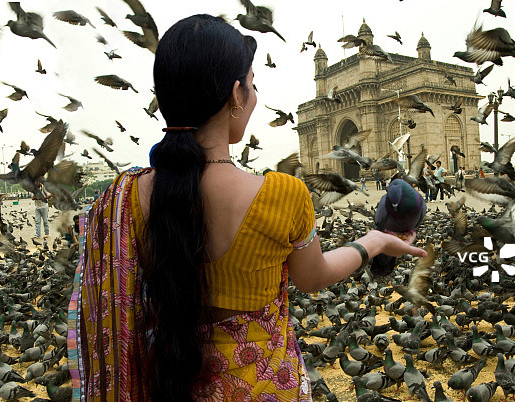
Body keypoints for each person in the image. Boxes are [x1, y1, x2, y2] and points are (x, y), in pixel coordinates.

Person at [67, 15, 426, 401]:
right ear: (236, 95)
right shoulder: (282, 195)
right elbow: (313, 278)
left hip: (164, 387)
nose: (254, 97)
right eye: (253, 86)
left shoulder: (121, 200)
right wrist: (372, 242)